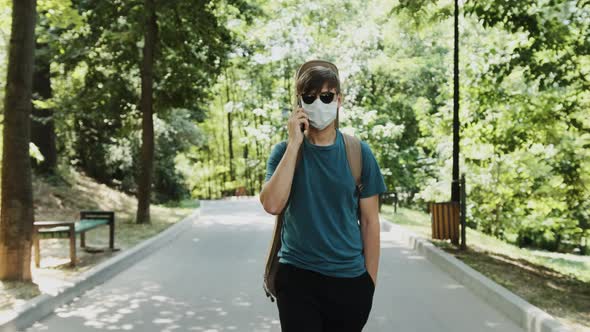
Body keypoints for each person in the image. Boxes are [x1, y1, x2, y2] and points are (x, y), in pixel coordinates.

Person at [259, 59, 387, 332]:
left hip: (349, 282)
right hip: (297, 278)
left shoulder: (358, 153)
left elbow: (370, 223)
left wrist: (369, 284)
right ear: (300, 103)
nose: (319, 103)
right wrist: (295, 143)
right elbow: (272, 204)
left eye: (326, 96)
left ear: (338, 100)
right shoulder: (283, 152)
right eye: (310, 96)